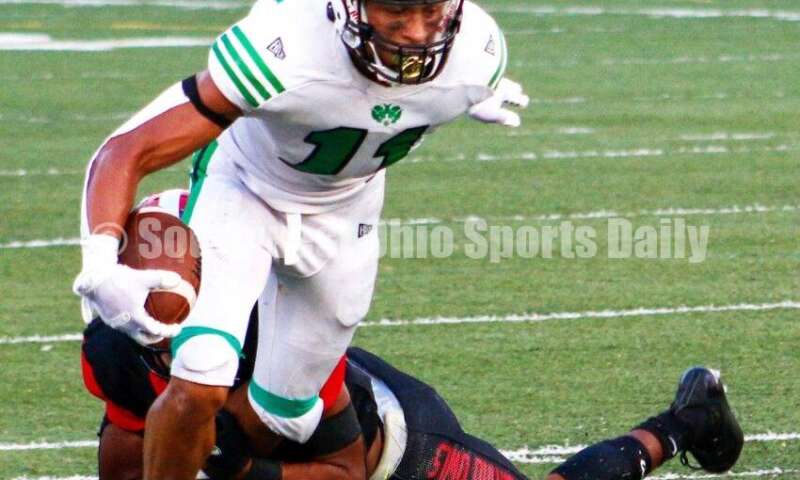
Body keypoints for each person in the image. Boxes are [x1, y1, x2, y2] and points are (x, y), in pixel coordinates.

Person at [71, 1, 529, 477]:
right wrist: (101, 256)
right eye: (395, 12)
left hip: (347, 212)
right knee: (200, 374)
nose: (416, 33)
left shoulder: (477, 52)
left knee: (282, 417)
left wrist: (469, 92)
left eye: (431, 12)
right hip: (245, 193)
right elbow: (127, 149)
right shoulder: (285, 47)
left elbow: (400, 94)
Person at [83, 315, 743, 480]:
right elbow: (121, 459)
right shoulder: (118, 347)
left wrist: (237, 469)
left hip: (396, 451)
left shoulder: (283, 338)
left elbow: (344, 471)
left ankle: (688, 420)